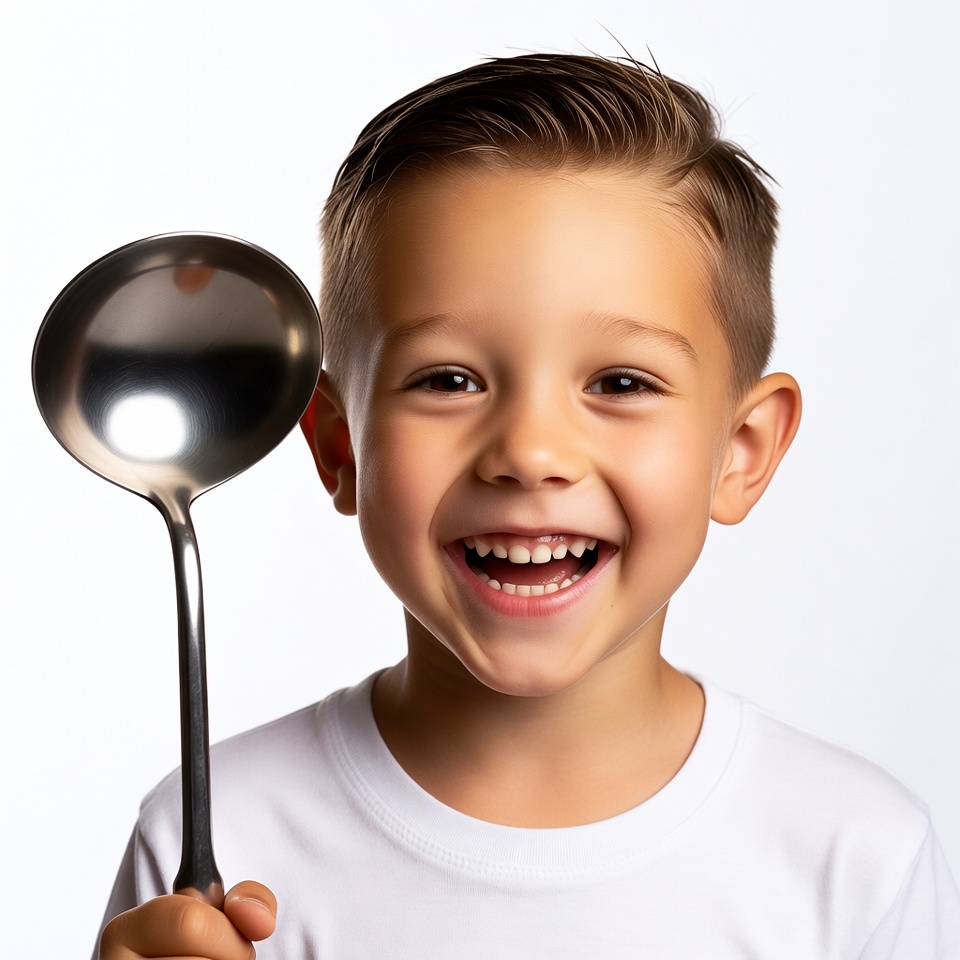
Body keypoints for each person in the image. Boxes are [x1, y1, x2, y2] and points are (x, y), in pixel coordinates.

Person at [96, 54, 960, 959]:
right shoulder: (213, 842)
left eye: (620, 383)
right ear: (340, 447)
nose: (530, 453)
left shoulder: (856, 860)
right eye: (448, 379)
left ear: (740, 452)